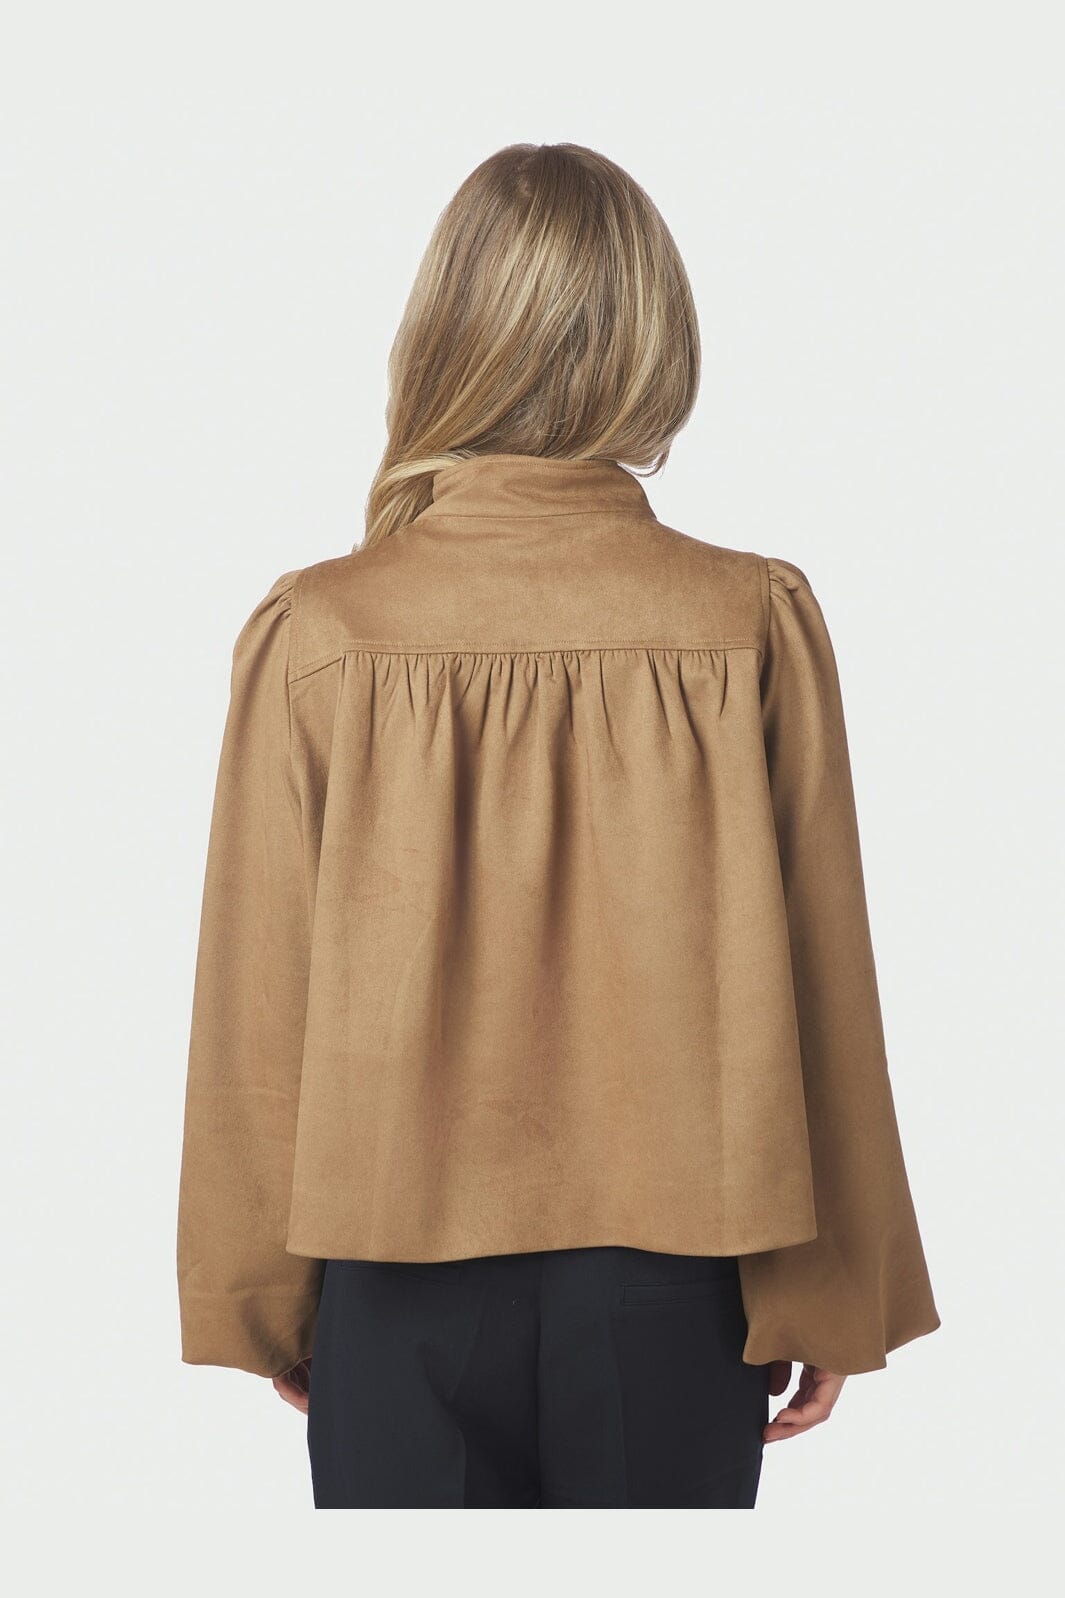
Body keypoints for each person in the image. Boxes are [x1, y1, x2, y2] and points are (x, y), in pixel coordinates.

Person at [176, 142, 941, 1510]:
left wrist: (262, 1299)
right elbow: (823, 983)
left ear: (441, 333)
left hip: (393, 1288)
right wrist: (830, 1289)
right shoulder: (747, 618)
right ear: (655, 339)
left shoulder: (322, 629)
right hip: (679, 1295)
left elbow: (257, 1000)